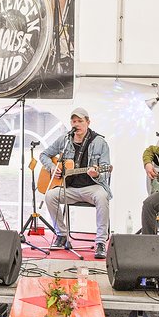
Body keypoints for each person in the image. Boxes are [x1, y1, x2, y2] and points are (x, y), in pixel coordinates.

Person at [40, 108, 112, 259]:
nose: (76, 124)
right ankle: (62, 234)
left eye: (80, 121)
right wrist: (52, 167)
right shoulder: (64, 140)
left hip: (92, 187)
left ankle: (100, 243)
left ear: (88, 122)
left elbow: (106, 169)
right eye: (74, 121)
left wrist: (98, 172)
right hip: (70, 188)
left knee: (102, 196)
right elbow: (44, 154)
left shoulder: (99, 142)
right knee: (50, 196)